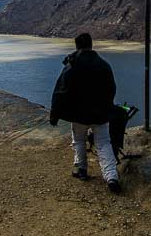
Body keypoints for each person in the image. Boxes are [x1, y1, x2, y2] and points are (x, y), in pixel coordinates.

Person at [49, 33, 121, 193]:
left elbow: (60, 91)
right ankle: (111, 177)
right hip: (101, 113)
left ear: (77, 46)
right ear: (91, 45)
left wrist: (54, 113)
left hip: (78, 113)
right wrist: (107, 106)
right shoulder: (103, 65)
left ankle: (82, 170)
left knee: (79, 140)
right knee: (103, 143)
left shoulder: (71, 66)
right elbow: (112, 89)